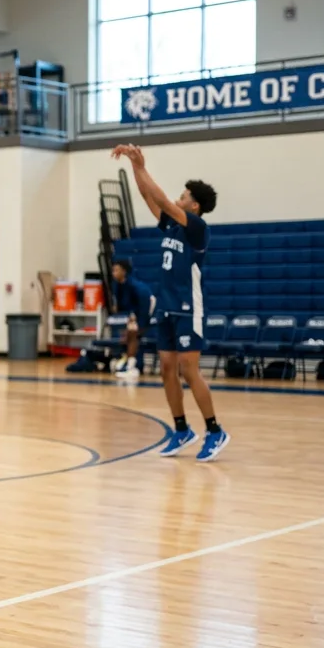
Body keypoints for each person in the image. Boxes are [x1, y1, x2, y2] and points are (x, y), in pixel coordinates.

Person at [112, 144, 229, 461]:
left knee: (189, 370)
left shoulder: (198, 229)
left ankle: (215, 430)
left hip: (188, 308)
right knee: (166, 369)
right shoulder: (173, 225)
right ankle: (181, 430)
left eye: (184, 195)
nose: (178, 198)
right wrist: (135, 167)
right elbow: (149, 198)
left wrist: (141, 165)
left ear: (195, 205)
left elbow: (162, 200)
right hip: (166, 306)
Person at [109, 259, 154, 380]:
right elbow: (121, 307)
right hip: (132, 313)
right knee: (127, 334)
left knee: (133, 332)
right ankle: (126, 362)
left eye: (116, 270)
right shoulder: (118, 286)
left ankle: (131, 367)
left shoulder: (135, 286)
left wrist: (141, 324)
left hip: (148, 307)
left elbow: (145, 303)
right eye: (113, 270)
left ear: (124, 271)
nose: (113, 273)